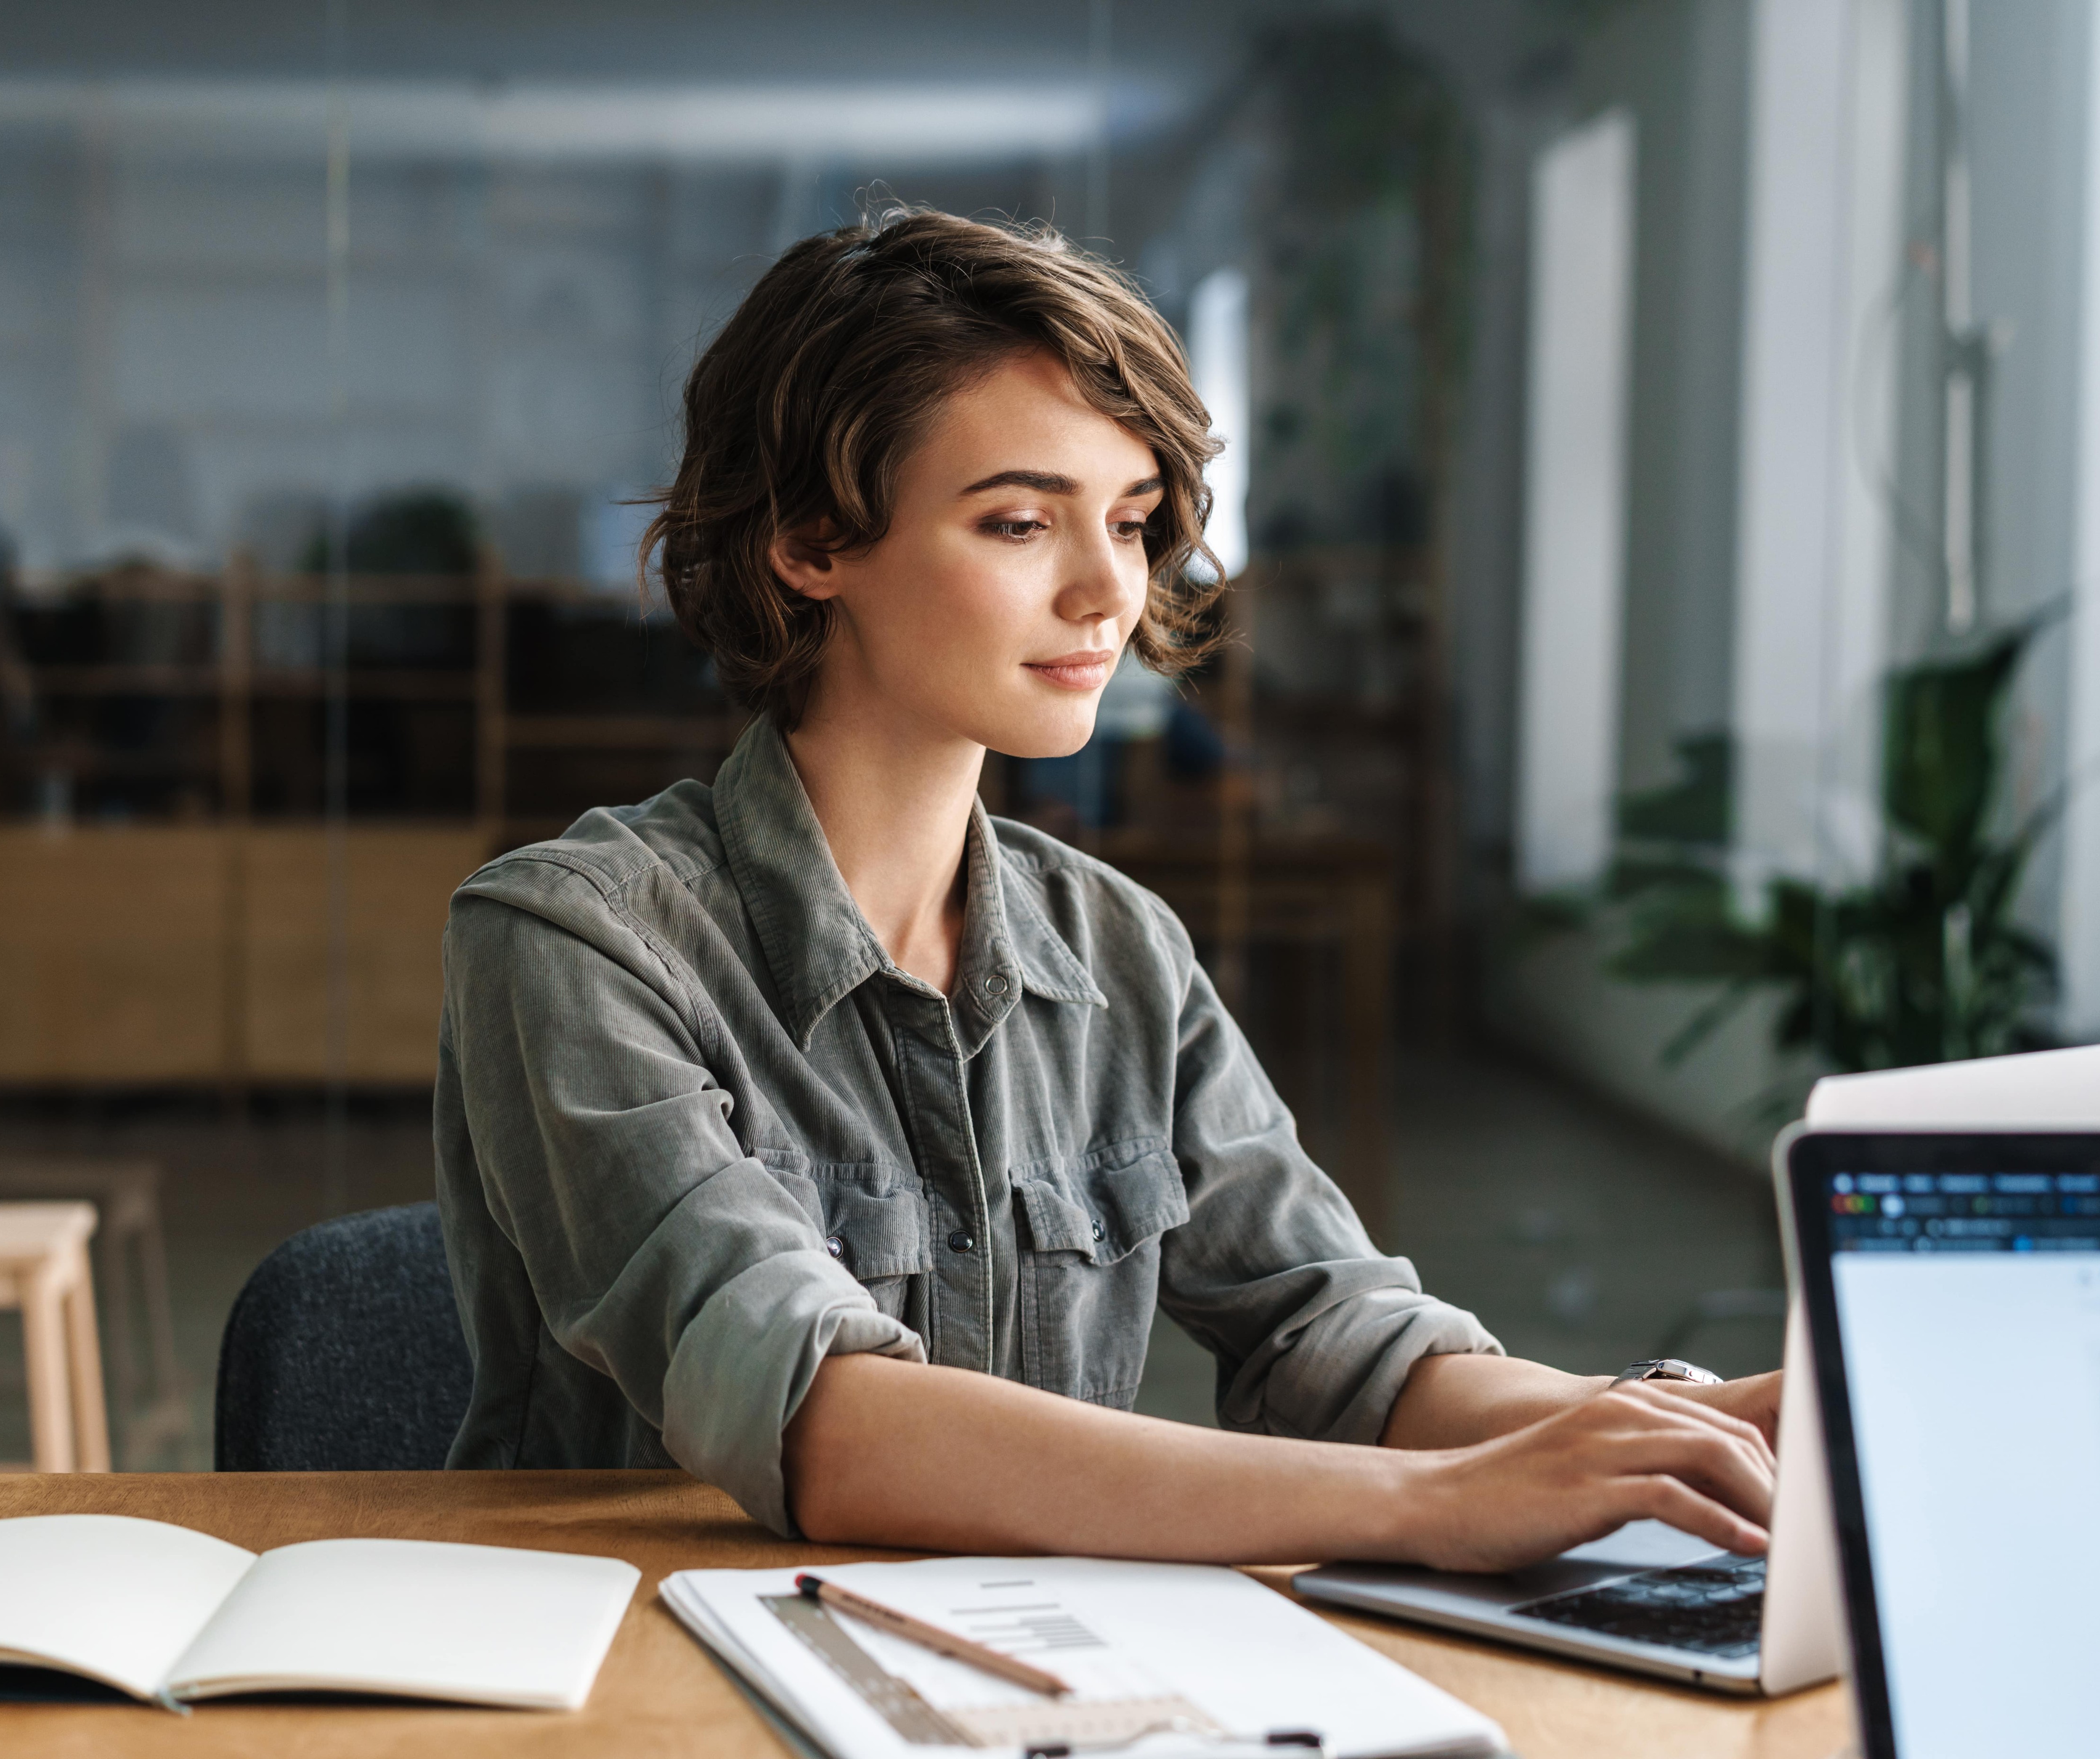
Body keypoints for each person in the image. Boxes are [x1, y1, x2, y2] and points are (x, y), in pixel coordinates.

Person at [434, 208, 1781, 1571]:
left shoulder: (1120, 947)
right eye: (1020, 522)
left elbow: (1340, 1341)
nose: (1107, 594)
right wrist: (1439, 1507)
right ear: (809, 541)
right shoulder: (574, 941)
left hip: (1035, 1673)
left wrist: (1696, 1432)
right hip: (646, 1685)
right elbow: (825, 1420)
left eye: (1131, 523)